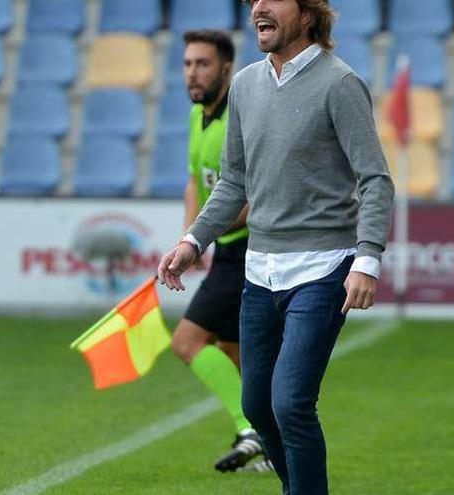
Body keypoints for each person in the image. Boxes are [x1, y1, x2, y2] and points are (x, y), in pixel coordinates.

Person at [158, 0, 394, 492]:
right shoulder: (245, 84)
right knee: (257, 405)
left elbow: (375, 180)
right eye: (253, 1)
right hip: (257, 270)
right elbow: (233, 181)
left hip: (324, 268)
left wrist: (367, 259)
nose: (258, 7)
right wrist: (193, 240)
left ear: (308, 15)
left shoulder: (340, 83)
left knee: (290, 403)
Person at [168, 29, 271, 474]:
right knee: (233, 352)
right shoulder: (197, 116)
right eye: (188, 63)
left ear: (227, 69)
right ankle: (267, 444)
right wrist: (190, 237)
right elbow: (196, 179)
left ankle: (251, 429)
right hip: (222, 249)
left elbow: (256, 198)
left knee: (187, 340)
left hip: (247, 249)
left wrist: (201, 237)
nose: (193, 72)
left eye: (203, 64)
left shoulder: (241, 118)